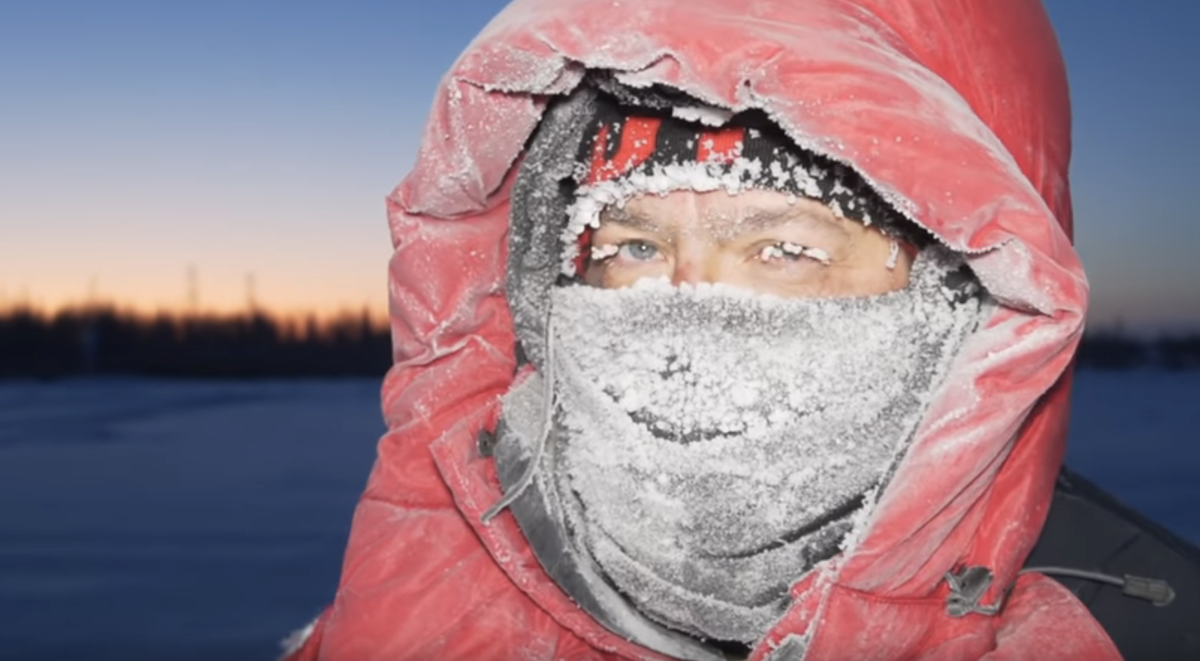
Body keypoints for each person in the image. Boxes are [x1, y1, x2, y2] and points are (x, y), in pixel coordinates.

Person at [281, 1, 1200, 659]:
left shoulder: (1145, 629)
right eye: (634, 246)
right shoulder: (406, 612)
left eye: (784, 252)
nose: (681, 327)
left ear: (962, 295)